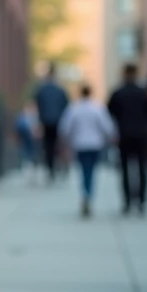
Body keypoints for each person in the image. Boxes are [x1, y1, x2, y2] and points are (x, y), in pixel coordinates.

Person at [59, 84, 117, 218]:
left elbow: (65, 127)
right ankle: (89, 194)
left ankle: (86, 194)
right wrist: (109, 137)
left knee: (84, 170)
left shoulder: (74, 108)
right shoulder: (97, 108)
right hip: (95, 144)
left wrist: (66, 140)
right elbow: (107, 127)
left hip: (80, 144)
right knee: (91, 170)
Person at [107, 64, 147, 215]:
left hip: (124, 135)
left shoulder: (118, 93)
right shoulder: (143, 93)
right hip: (142, 135)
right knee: (142, 169)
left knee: (125, 170)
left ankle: (127, 201)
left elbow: (110, 111)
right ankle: (141, 201)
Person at [34, 64, 70, 181]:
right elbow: (66, 106)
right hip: (58, 121)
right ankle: (59, 165)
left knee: (48, 146)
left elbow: (38, 105)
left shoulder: (42, 89)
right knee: (58, 144)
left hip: (46, 122)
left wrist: (39, 121)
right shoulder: (60, 90)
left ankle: (51, 168)